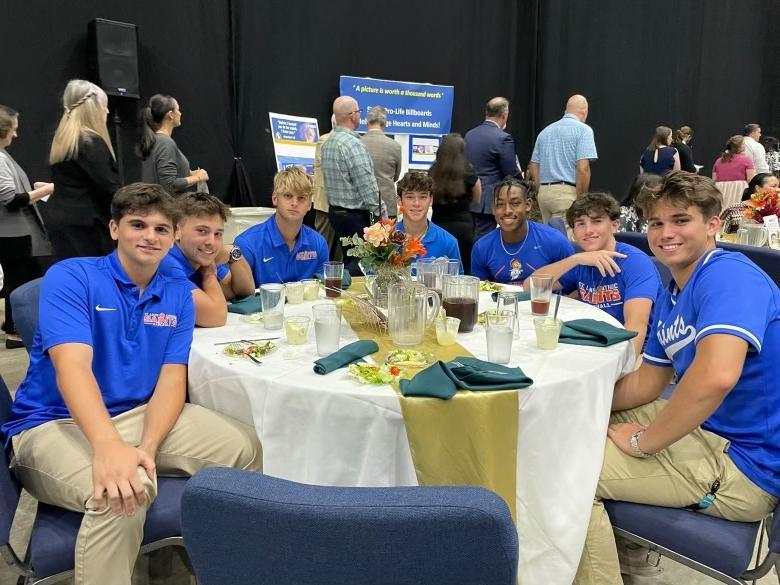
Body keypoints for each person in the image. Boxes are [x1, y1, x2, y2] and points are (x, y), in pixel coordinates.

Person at [0, 182, 262, 585]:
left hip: (136, 416)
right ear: (114, 229)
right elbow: (73, 369)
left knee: (244, 448)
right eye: (138, 225)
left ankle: (223, 568)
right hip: (53, 424)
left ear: (173, 237)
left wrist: (148, 447)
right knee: (123, 491)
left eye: (161, 229)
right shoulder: (72, 277)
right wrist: (109, 447)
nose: (150, 236)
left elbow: (172, 380)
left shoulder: (177, 294)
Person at [573, 171, 780, 585]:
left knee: (565, 476)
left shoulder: (728, 276)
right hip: (708, 434)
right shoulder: (674, 293)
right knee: (576, 423)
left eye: (681, 220)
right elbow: (647, 383)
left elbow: (716, 377)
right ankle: (624, 557)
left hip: (743, 467)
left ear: (712, 224)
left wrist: (643, 441)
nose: (666, 233)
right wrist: (576, 404)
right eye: (656, 223)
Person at [528, 192, 660, 359]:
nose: (588, 230)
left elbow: (636, 326)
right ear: (573, 232)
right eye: (580, 224)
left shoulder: (634, 262)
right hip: (595, 343)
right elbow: (531, 286)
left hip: (637, 352)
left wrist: (621, 368)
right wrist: (574, 259)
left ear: (615, 225)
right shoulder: (582, 261)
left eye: (596, 221)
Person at [47, 79, 120, 261]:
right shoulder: (91, 142)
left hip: (63, 224)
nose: (107, 111)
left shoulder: (64, 142)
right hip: (89, 227)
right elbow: (109, 188)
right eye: (104, 107)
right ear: (93, 109)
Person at [0, 105, 53, 349]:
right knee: (20, 282)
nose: (16, 134)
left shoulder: (3, 156)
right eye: (13, 129)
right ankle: (16, 331)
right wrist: (47, 190)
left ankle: (16, 329)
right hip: (11, 233)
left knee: (20, 280)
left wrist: (33, 190)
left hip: (13, 232)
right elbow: (11, 199)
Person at [158, 192, 255, 327]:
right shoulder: (164, 262)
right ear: (176, 232)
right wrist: (209, 275)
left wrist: (233, 254)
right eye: (202, 231)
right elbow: (216, 317)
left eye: (218, 234)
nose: (211, 242)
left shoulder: (197, 257)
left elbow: (243, 292)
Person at [235, 166, 328, 285]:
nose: (294, 203)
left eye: (301, 198)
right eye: (288, 196)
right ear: (275, 199)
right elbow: (240, 294)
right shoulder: (247, 244)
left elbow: (323, 290)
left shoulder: (319, 243)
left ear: (309, 204)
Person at [471, 178, 573, 285]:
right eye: (500, 204)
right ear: (493, 208)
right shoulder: (482, 247)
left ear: (527, 205)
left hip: (544, 296)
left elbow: (575, 283)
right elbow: (480, 290)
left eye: (515, 203)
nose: (507, 211)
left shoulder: (554, 240)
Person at [321, 96, 381, 274]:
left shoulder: (328, 143)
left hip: (336, 214)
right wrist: (381, 214)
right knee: (362, 264)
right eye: (359, 112)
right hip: (355, 217)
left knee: (350, 259)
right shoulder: (353, 145)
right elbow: (367, 185)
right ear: (353, 115)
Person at [527, 94, 598, 223]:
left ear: (566, 111)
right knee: (568, 235)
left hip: (544, 194)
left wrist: (540, 189)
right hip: (566, 194)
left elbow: (534, 165)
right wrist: (581, 200)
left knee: (549, 235)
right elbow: (583, 169)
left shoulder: (544, 132)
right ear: (584, 113)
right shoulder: (584, 130)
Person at [464, 97, 522, 239]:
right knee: (484, 240)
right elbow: (510, 172)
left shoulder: (469, 135)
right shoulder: (503, 138)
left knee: (469, 239)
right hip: (488, 201)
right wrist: (523, 181)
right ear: (504, 115)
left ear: (487, 112)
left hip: (469, 197)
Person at [428, 133, 481, 274]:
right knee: (464, 268)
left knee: (437, 267)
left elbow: (429, 197)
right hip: (463, 227)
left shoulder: (432, 172)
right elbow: (477, 198)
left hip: (438, 225)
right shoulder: (469, 171)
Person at [139, 94, 209, 194]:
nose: (180, 113)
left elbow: (162, 176)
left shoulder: (157, 140)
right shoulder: (165, 142)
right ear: (170, 114)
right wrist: (198, 177)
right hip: (167, 203)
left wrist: (190, 174)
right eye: (178, 109)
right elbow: (169, 184)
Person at [394, 171, 462, 269]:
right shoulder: (384, 240)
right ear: (399, 200)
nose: (416, 203)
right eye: (410, 197)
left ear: (431, 200)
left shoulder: (448, 243)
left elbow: (456, 278)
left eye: (423, 197)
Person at [361, 106, 402, 218]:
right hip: (388, 206)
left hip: (362, 206)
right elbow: (396, 176)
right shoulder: (395, 146)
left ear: (366, 122)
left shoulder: (357, 143)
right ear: (385, 123)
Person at [312, 115, 342, 261]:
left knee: (342, 248)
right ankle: (318, 272)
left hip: (344, 205)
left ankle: (339, 273)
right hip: (325, 203)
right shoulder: (324, 140)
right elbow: (330, 167)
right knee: (322, 244)